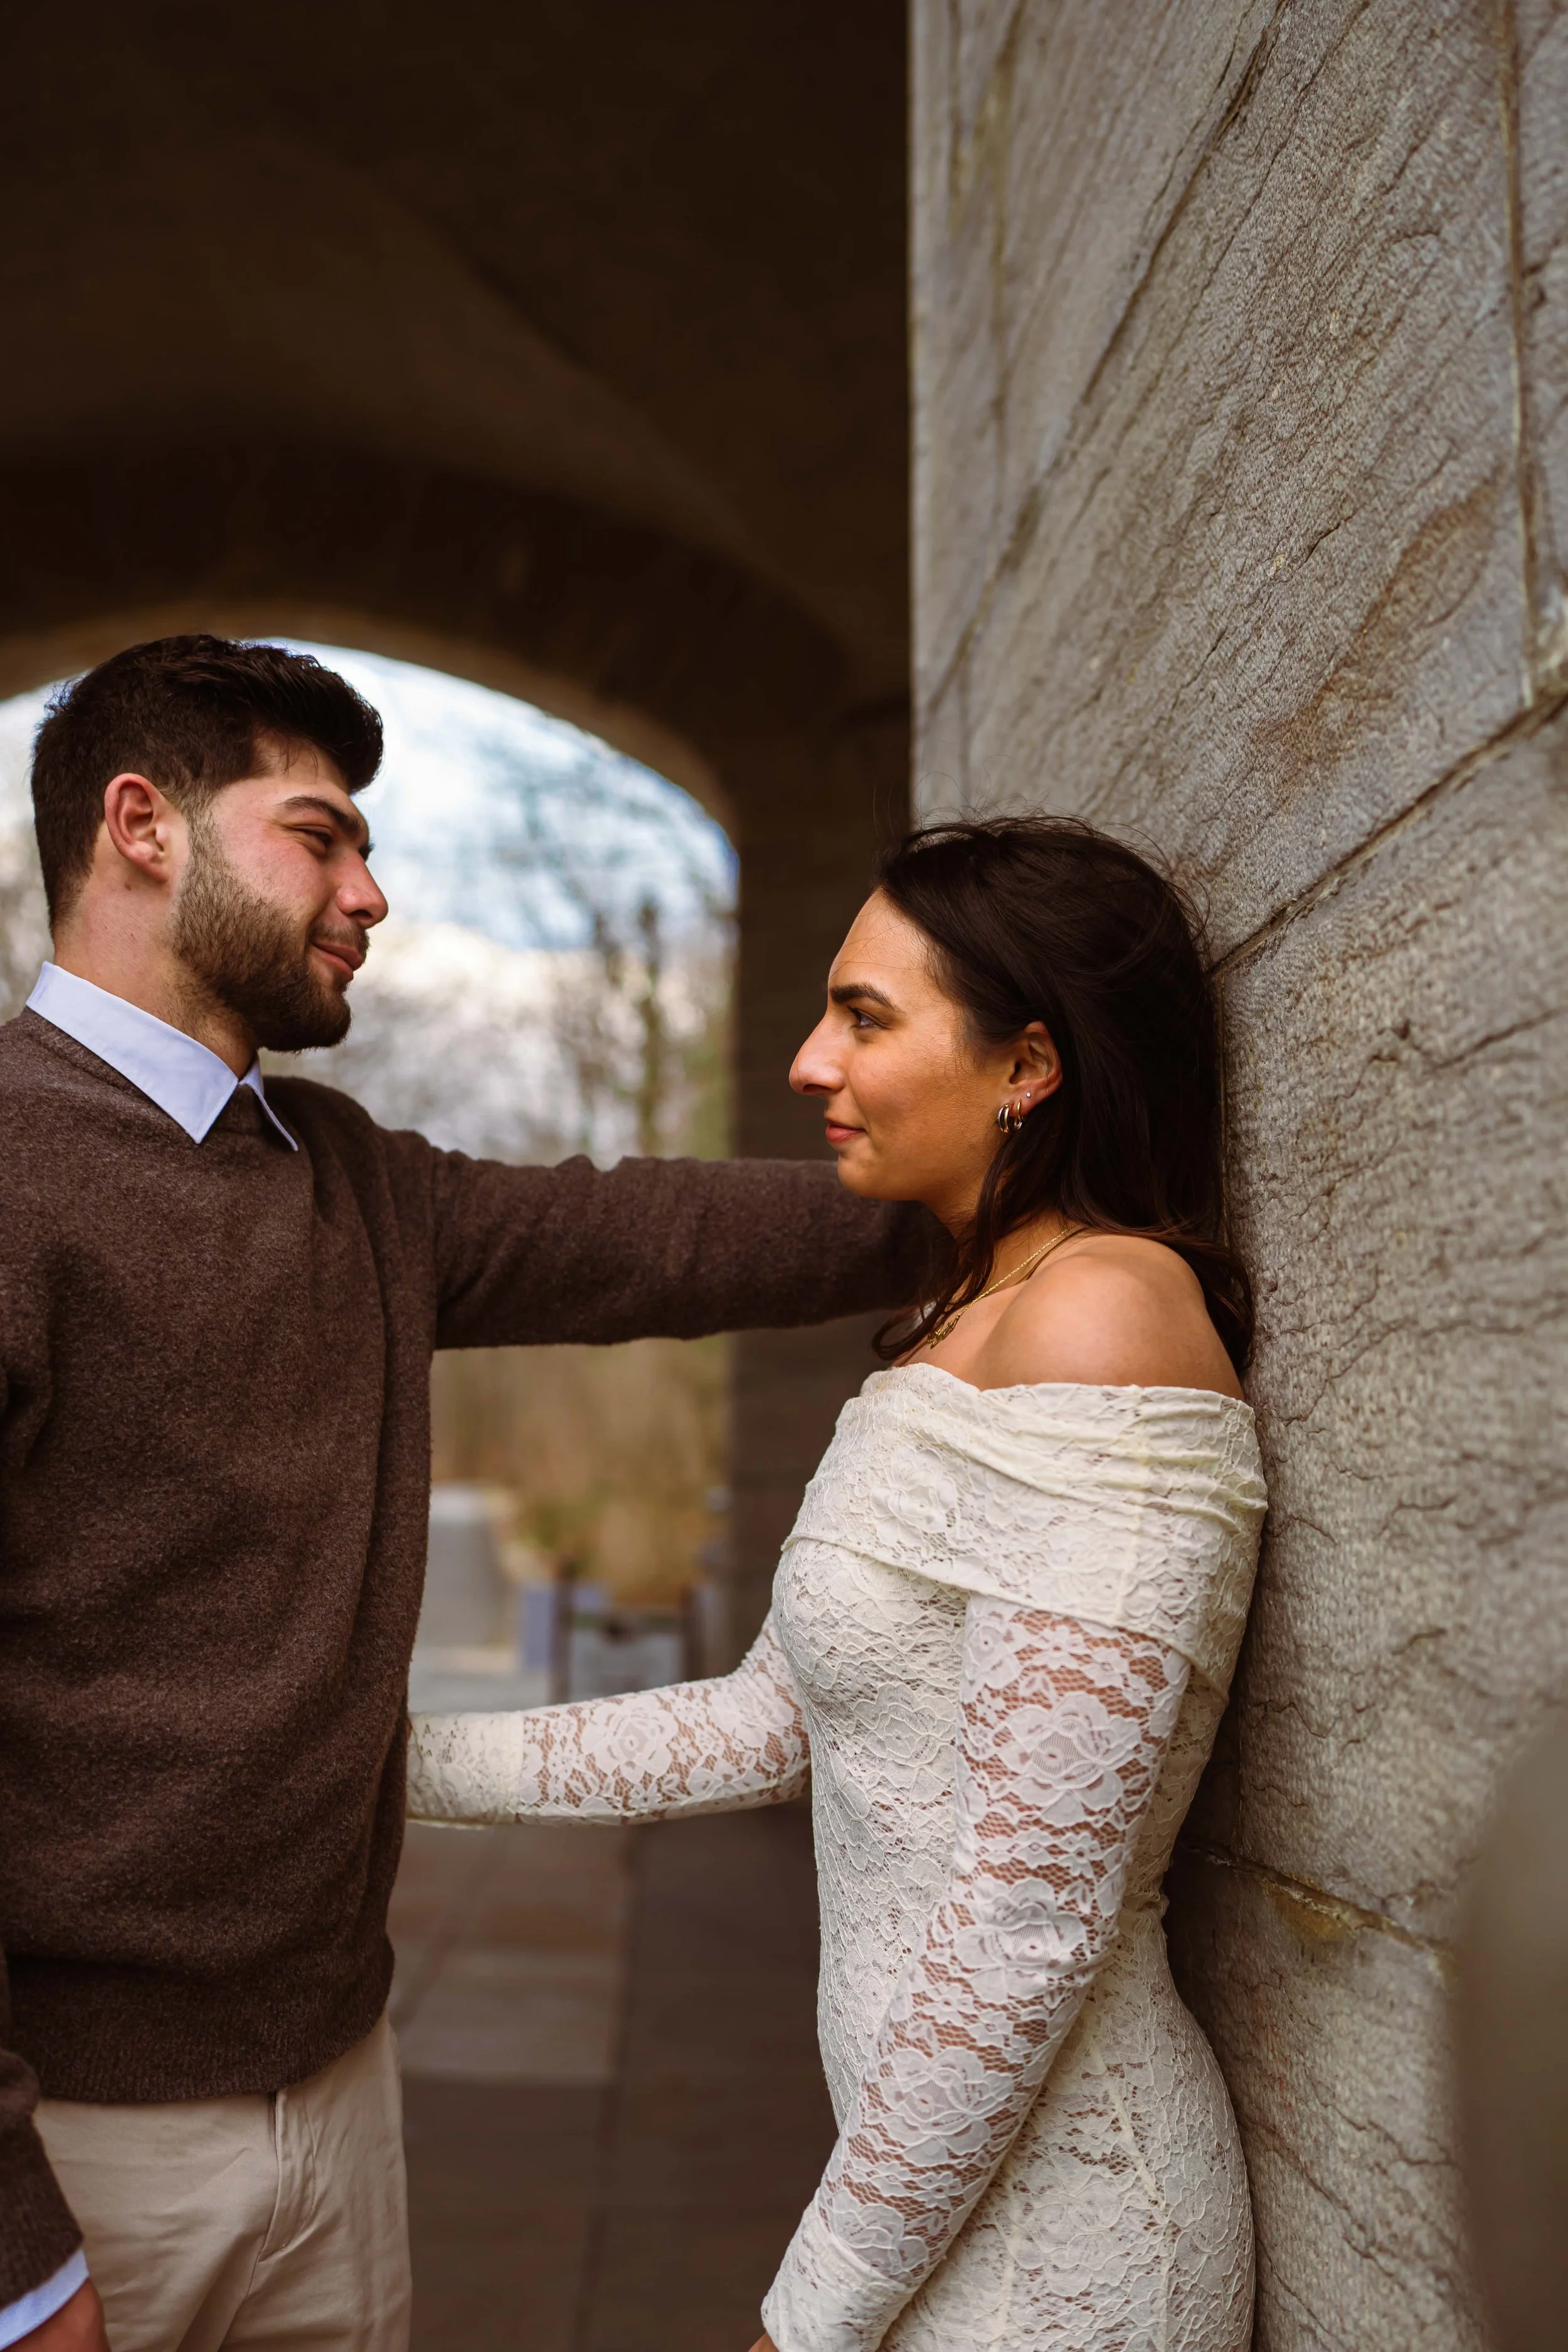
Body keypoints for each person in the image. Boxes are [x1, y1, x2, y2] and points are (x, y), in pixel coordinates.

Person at [0, 635, 935, 2352]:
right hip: (72, 2147)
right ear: (141, 825)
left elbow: (643, 1231)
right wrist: (16, 2247)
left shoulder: (346, 1178)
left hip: (345, 2095)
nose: (370, 890)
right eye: (319, 834)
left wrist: (985, 1188)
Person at [410, 815, 1269, 2352]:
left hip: (1058, 2244)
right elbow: (774, 1719)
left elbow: (1026, 1917)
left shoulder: (1105, 1325)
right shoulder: (971, 1316)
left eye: (863, 1018)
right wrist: (392, 1767)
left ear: (1028, 1065)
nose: (808, 1062)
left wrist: (808, 2317)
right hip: (932, 2200)